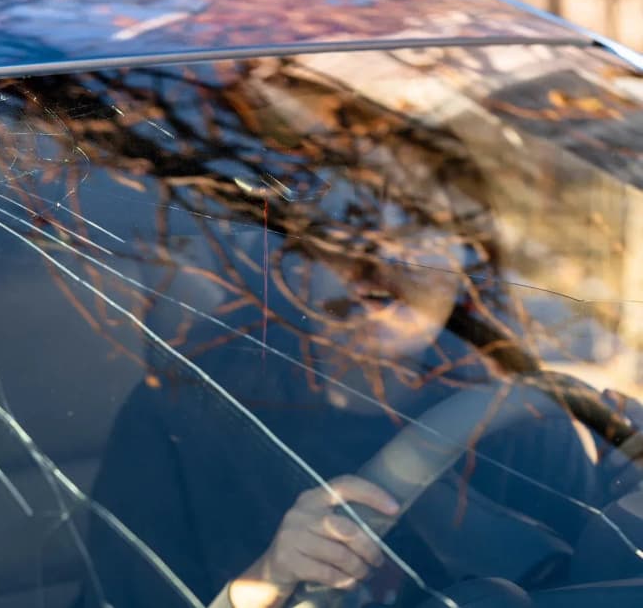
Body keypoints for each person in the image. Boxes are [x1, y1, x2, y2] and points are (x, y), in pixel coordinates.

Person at [81, 118, 643, 608]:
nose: (383, 263)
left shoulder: (517, 417)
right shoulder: (186, 419)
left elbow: (585, 586)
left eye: (419, 228)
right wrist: (270, 578)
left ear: (463, 260)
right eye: (347, 229)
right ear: (288, 259)